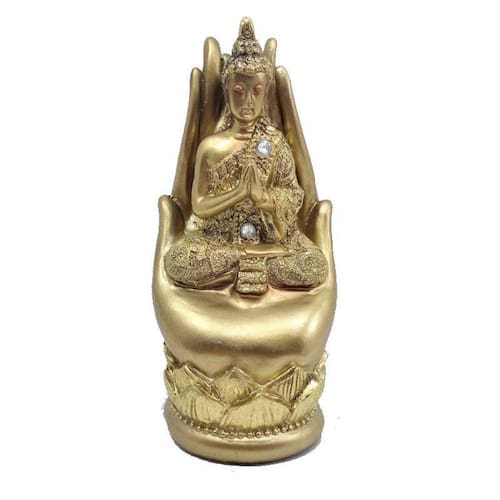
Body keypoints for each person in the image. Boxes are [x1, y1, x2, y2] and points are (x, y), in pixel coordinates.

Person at [164, 18, 327, 294]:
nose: (248, 101)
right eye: (238, 91)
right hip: (220, 241)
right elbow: (200, 206)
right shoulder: (211, 147)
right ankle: (250, 264)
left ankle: (241, 268)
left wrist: (265, 200)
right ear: (227, 92)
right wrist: (239, 193)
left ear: (266, 93)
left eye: (256, 91)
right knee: (178, 261)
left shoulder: (275, 143)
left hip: (269, 240)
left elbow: (293, 194)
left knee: (314, 265)